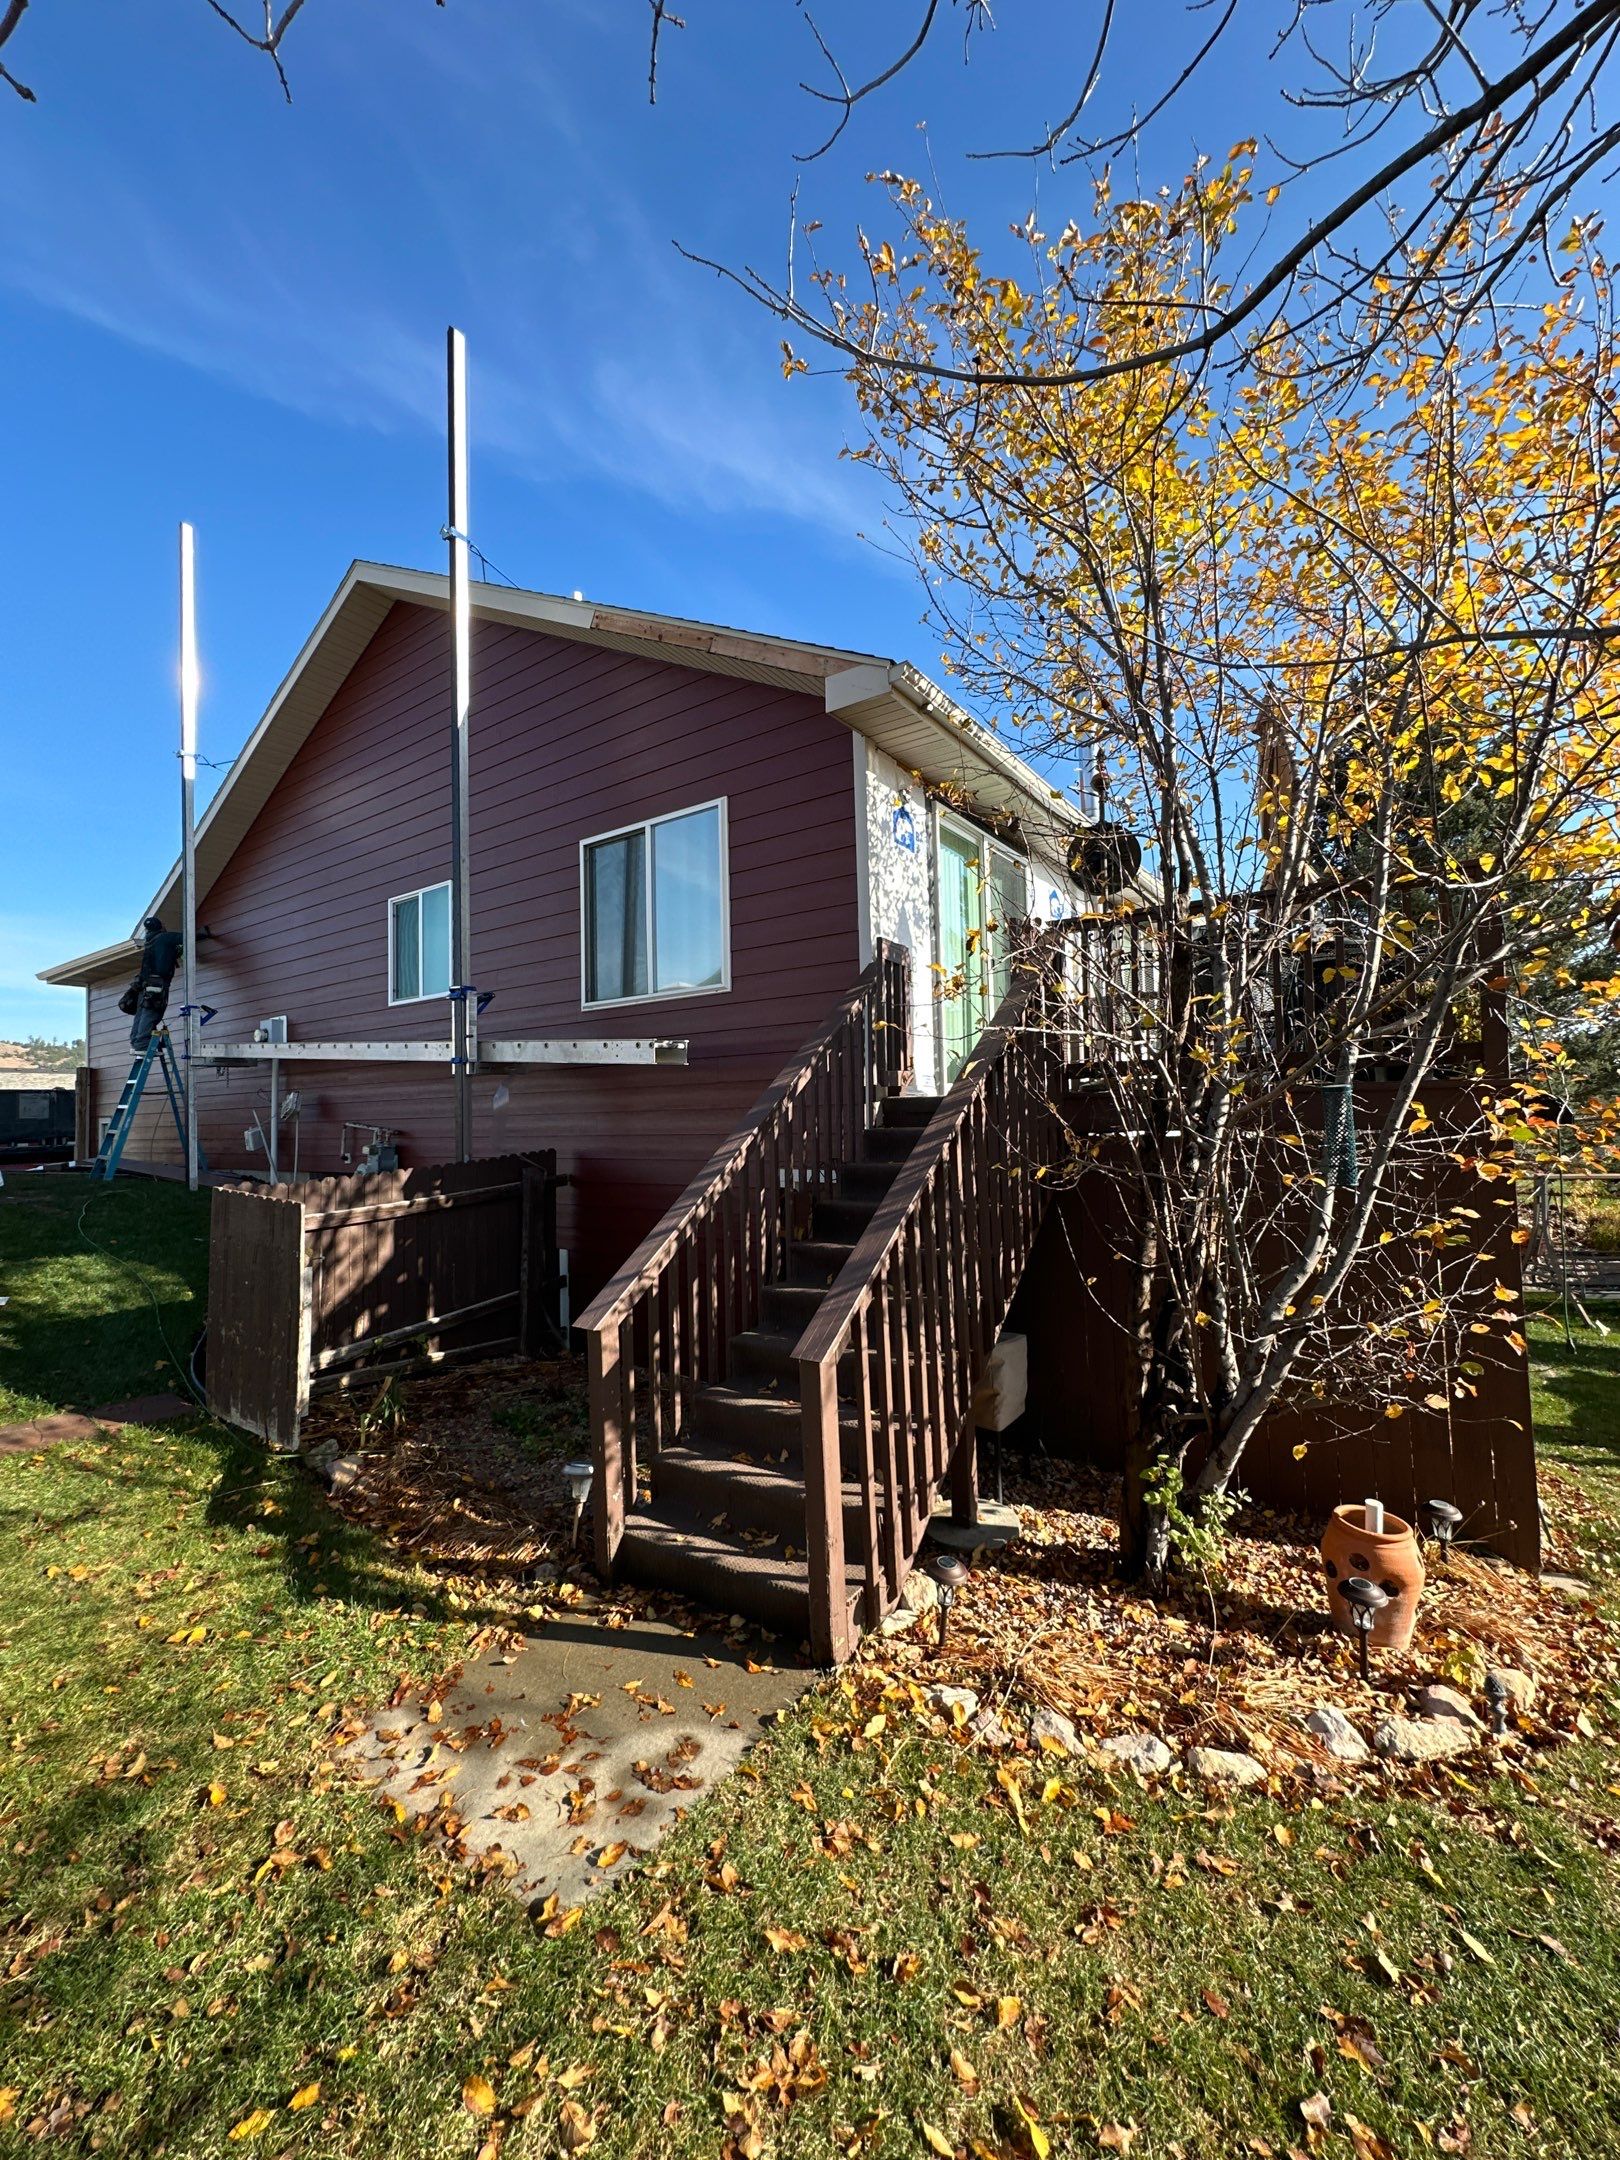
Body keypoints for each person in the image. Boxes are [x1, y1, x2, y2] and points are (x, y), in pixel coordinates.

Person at [118, 917, 185, 1052]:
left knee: (143, 1011)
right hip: (157, 985)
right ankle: (143, 1043)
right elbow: (187, 937)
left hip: (144, 985)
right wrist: (206, 933)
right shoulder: (164, 938)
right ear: (161, 927)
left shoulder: (150, 941)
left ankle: (137, 1041)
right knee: (152, 1011)